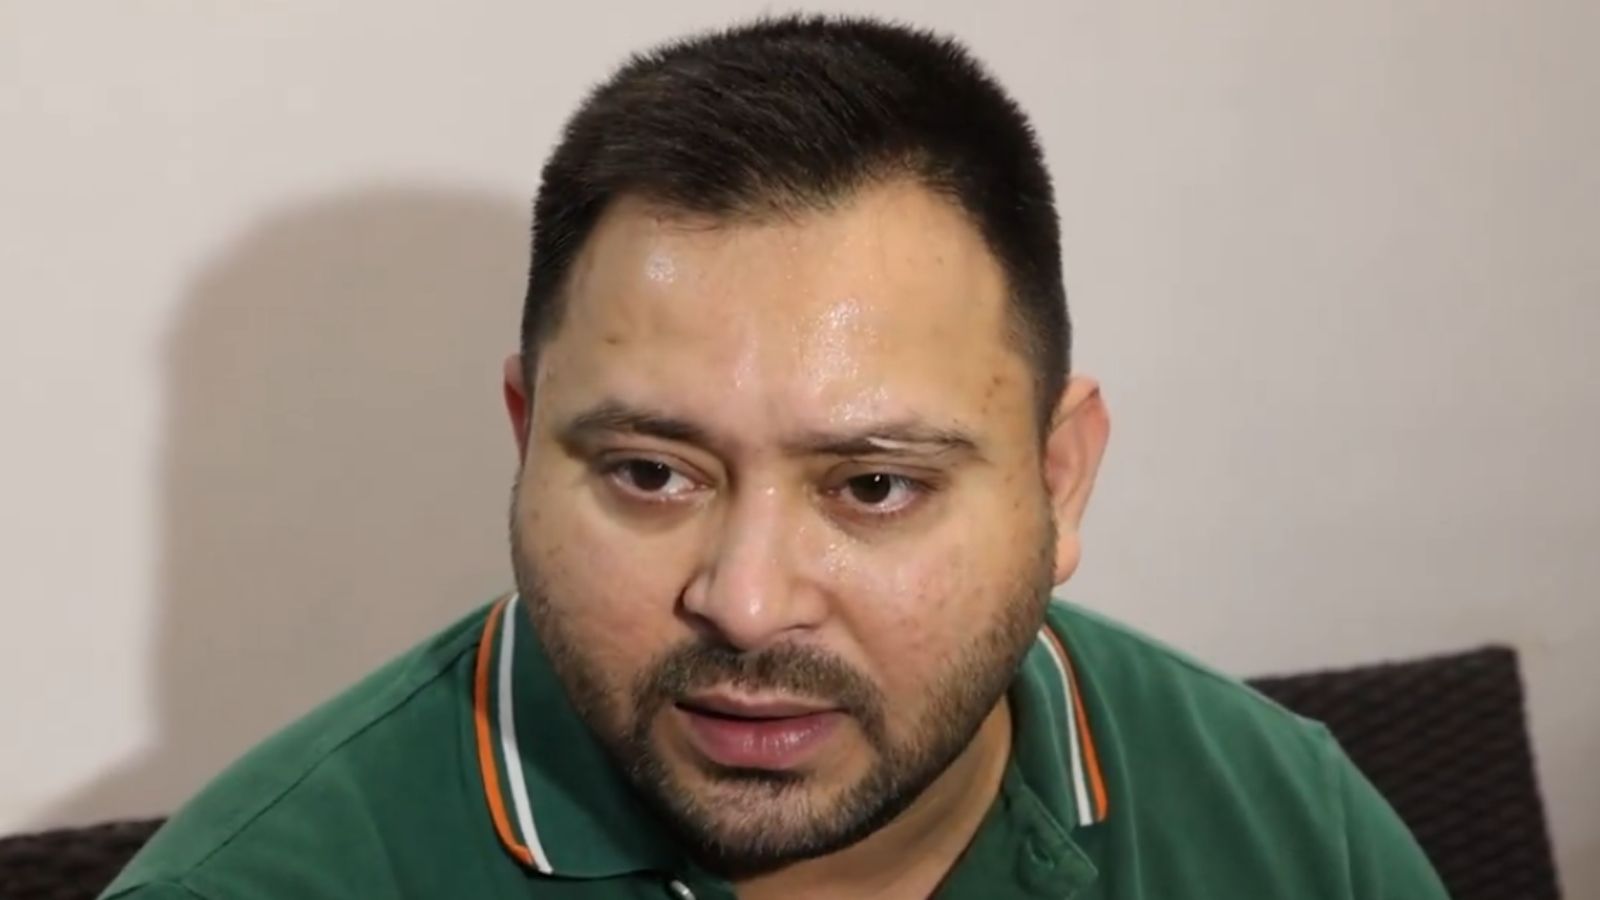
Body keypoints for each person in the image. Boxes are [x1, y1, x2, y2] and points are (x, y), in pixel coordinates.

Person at [103, 15, 1449, 900]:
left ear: (1058, 478)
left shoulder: (1293, 831)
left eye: (874, 486)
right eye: (650, 473)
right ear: (525, 440)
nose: (746, 603)